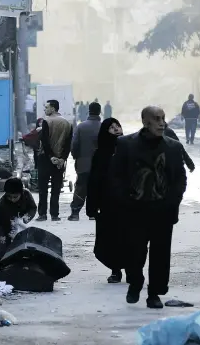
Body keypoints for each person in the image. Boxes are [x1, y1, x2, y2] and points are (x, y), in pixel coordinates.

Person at [111, 106, 187, 309]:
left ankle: (154, 293)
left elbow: (180, 178)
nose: (162, 122)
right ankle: (135, 283)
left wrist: (172, 201)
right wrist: (123, 200)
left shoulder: (173, 147)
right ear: (145, 122)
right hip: (134, 209)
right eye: (157, 119)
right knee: (134, 252)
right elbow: (115, 176)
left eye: (163, 118)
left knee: (161, 254)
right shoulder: (126, 145)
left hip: (162, 210)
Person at [86, 118, 125, 284]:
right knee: (110, 238)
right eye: (111, 127)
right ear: (104, 131)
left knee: (131, 237)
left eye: (117, 126)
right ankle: (116, 270)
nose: (116, 129)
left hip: (128, 202)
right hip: (108, 204)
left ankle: (132, 268)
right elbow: (94, 181)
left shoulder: (129, 148)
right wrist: (92, 206)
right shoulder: (100, 154)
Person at [36, 100, 73, 222]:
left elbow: (45, 141)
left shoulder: (46, 121)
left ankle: (42, 214)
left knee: (43, 188)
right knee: (56, 189)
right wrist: (62, 158)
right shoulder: (67, 123)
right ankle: (55, 214)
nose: (45, 109)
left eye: (46, 107)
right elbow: (68, 144)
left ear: (53, 108)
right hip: (60, 161)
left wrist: (51, 156)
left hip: (46, 159)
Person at [68, 102, 102, 221]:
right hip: (101, 166)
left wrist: (76, 156)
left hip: (83, 163)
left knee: (81, 187)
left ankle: (75, 213)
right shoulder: (104, 127)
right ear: (100, 111)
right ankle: (93, 213)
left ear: (89, 111)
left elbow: (75, 145)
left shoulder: (81, 127)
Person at [0, 177, 37, 260]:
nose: (12, 199)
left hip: (21, 220)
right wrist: (5, 234)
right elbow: (0, 222)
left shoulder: (27, 194)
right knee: (3, 245)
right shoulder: (2, 204)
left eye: (15, 197)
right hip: (3, 222)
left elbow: (33, 208)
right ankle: (2, 266)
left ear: (21, 193)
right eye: (9, 197)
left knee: (22, 242)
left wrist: (26, 218)